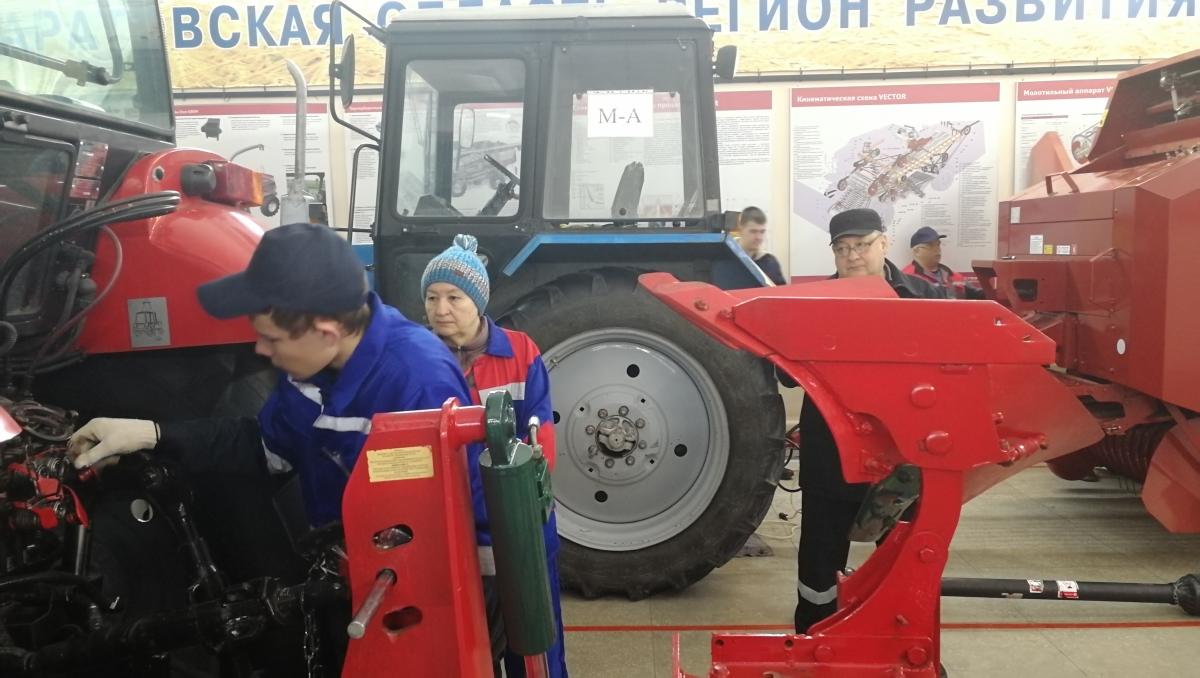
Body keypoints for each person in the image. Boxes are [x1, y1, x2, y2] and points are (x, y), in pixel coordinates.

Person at [66, 223, 501, 670]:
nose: (261, 348)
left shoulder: (416, 384)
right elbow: (262, 447)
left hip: (425, 599)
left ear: (326, 331)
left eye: (271, 338)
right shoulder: (314, 373)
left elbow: (428, 541)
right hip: (357, 574)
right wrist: (153, 434)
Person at [794, 208, 948, 634]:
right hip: (832, 459)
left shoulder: (925, 299)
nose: (852, 256)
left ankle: (906, 643)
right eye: (842, 248)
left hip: (901, 465)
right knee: (819, 566)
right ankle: (813, 642)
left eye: (861, 245)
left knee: (905, 558)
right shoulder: (808, 308)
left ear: (884, 241)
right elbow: (779, 375)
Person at [422, 234, 568, 678]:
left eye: (453, 297)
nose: (440, 309)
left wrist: (511, 505)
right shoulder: (419, 356)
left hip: (518, 522)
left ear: (479, 301)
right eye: (431, 297)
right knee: (462, 645)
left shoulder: (520, 353)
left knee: (534, 643)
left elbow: (540, 439)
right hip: (448, 524)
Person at [903, 226, 985, 299]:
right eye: (930, 246)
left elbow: (976, 296)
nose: (937, 249)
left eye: (938, 245)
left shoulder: (952, 275)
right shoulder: (907, 278)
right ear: (916, 251)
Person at [736, 206, 787, 286]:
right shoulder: (724, 259)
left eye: (762, 232)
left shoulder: (770, 263)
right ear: (741, 230)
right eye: (753, 231)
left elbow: (781, 295)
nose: (758, 237)